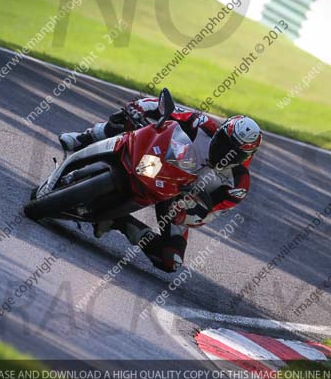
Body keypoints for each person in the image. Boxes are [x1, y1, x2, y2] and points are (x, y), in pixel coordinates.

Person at [59, 96, 262, 272]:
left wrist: (188, 211)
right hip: (157, 158)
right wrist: (138, 108)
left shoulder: (238, 184)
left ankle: (118, 221)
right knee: (124, 121)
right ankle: (82, 138)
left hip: (177, 198)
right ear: (219, 132)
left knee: (170, 260)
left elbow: (208, 214)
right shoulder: (202, 124)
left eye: (234, 152)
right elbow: (162, 107)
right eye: (224, 142)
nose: (225, 151)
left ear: (247, 156)